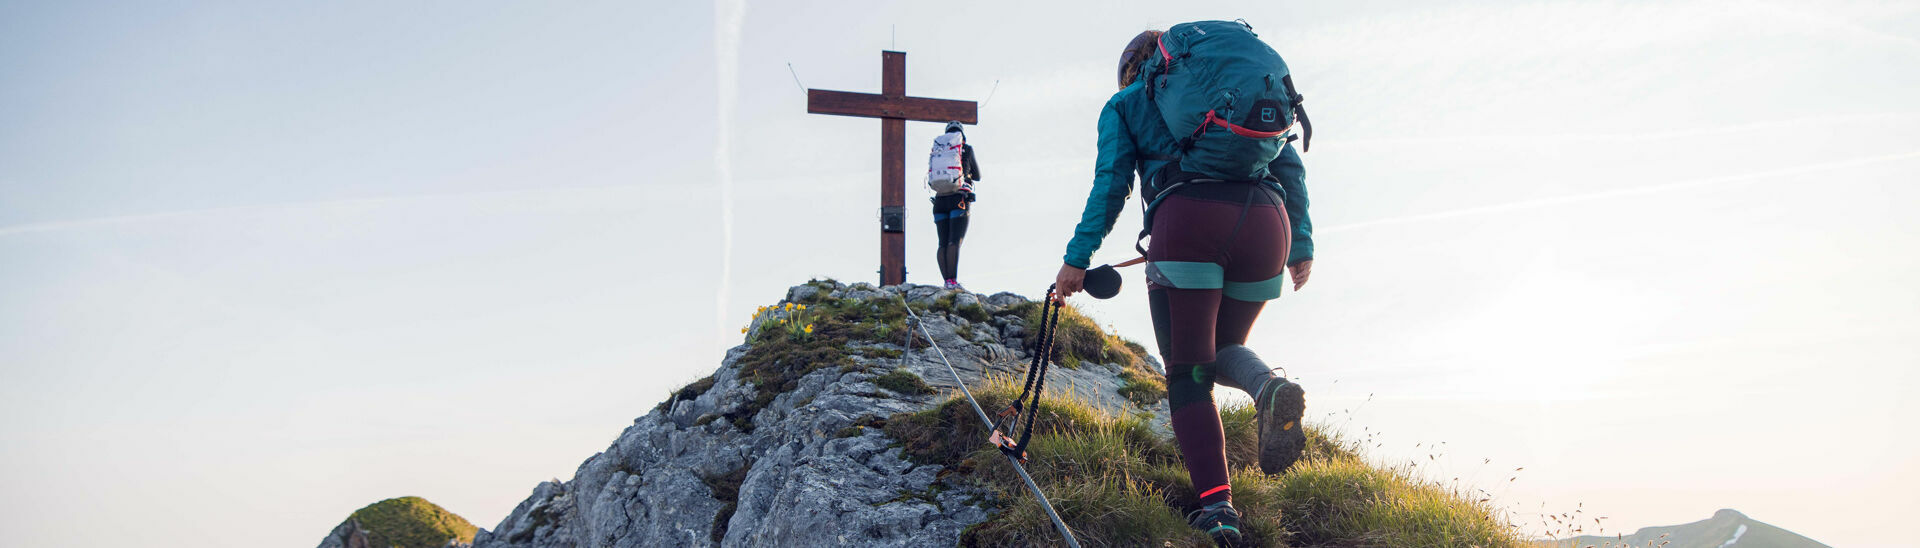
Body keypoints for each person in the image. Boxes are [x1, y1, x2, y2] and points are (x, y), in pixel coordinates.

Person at [1052, 29, 1316, 545]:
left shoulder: (1127, 103)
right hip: (1267, 224)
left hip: (1188, 223)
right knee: (1221, 349)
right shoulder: (1231, 100)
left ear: (1135, 69)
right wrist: (1301, 243)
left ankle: (1218, 511)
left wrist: (1076, 259)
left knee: (1189, 371)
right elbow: (1289, 163)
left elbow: (1111, 184)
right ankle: (1269, 389)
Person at [928, 121, 981, 291]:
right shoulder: (966, 149)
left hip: (939, 201)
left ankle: (946, 281)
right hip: (959, 199)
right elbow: (978, 175)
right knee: (954, 241)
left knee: (942, 242)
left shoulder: (939, 150)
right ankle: (953, 281)